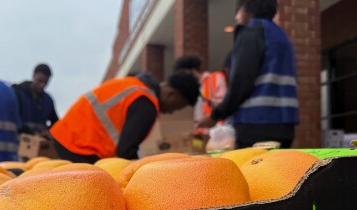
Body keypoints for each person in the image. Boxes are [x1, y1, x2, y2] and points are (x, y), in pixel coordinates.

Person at [198, 0, 299, 148]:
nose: (236, 18)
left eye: (237, 11)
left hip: (255, 124)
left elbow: (241, 82)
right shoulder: (281, 36)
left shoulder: (251, 33)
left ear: (247, 9)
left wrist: (215, 115)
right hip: (284, 126)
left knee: (252, 170)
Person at [50, 71, 199, 163]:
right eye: (177, 106)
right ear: (172, 94)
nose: (172, 111)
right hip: (79, 145)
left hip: (69, 136)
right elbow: (126, 152)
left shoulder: (136, 86)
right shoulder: (146, 103)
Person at [174, 56, 228, 148]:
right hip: (203, 137)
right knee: (199, 156)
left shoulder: (215, 78)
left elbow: (225, 104)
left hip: (220, 133)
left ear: (193, 70)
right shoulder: (195, 89)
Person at [12, 63, 59, 137]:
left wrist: (48, 132)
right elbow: (11, 117)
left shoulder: (48, 100)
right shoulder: (17, 93)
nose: (42, 85)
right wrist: (28, 130)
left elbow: (56, 123)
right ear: (33, 76)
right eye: (39, 81)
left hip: (40, 143)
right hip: (19, 140)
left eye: (45, 83)